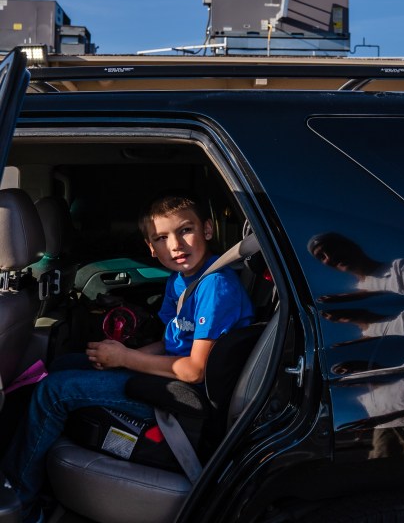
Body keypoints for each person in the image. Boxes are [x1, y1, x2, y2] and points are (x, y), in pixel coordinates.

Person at [1, 191, 254, 523]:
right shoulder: (182, 280)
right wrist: (121, 355)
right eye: (162, 238)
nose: (176, 245)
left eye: (185, 230)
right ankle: (37, 464)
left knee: (55, 390)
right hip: (171, 377)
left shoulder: (215, 285)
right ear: (151, 248)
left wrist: (124, 359)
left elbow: (194, 369)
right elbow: (170, 341)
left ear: (207, 230)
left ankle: (21, 500)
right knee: (65, 364)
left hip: (187, 398)